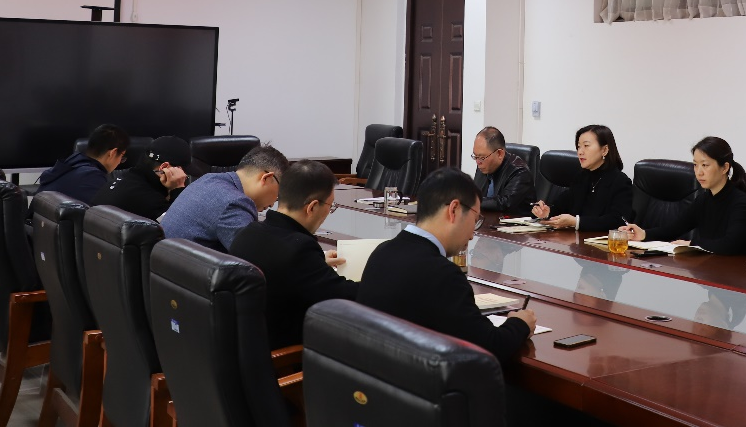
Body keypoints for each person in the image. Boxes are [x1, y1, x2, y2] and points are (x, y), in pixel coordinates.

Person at [358, 167, 536, 363]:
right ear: (454, 210)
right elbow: (490, 346)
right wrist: (520, 324)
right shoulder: (443, 274)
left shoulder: (382, 252)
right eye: (475, 220)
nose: (472, 235)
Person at [229, 160, 359, 349]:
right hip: (286, 356)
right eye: (330, 207)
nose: (328, 213)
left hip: (245, 346)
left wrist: (316, 265)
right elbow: (347, 299)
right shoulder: (299, 250)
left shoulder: (248, 233)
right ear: (312, 207)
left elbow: (284, 270)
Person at [622, 136, 746, 255]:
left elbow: (729, 245)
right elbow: (674, 229)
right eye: (695, 165)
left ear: (725, 168)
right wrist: (644, 234)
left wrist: (692, 244)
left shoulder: (741, 203)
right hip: (710, 268)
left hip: (737, 272)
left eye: (705, 165)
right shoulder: (703, 199)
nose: (699, 172)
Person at [160, 145, 288, 251]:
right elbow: (254, 257)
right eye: (278, 195)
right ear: (266, 178)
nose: (273, 204)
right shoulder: (235, 203)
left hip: (164, 267)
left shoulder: (208, 179)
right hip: (185, 272)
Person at [531, 124, 632, 231]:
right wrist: (546, 212)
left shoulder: (620, 181)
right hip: (573, 239)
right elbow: (561, 206)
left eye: (586, 146)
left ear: (604, 150)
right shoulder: (581, 177)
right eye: (579, 147)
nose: (580, 152)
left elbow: (618, 221)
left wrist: (576, 222)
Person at [91, 137, 188, 220]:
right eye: (184, 174)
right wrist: (178, 188)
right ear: (164, 168)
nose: (184, 177)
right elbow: (180, 227)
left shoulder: (126, 180)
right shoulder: (150, 201)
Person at [35, 124, 129, 204]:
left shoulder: (71, 164)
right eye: (122, 156)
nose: (119, 162)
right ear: (112, 153)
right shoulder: (93, 178)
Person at [471, 126, 534, 213]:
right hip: (487, 218)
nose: (478, 162)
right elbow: (476, 194)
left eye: (482, 157)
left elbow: (505, 203)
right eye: (475, 156)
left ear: (500, 153)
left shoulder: (520, 172)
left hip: (514, 220)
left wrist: (471, 201)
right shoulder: (483, 164)